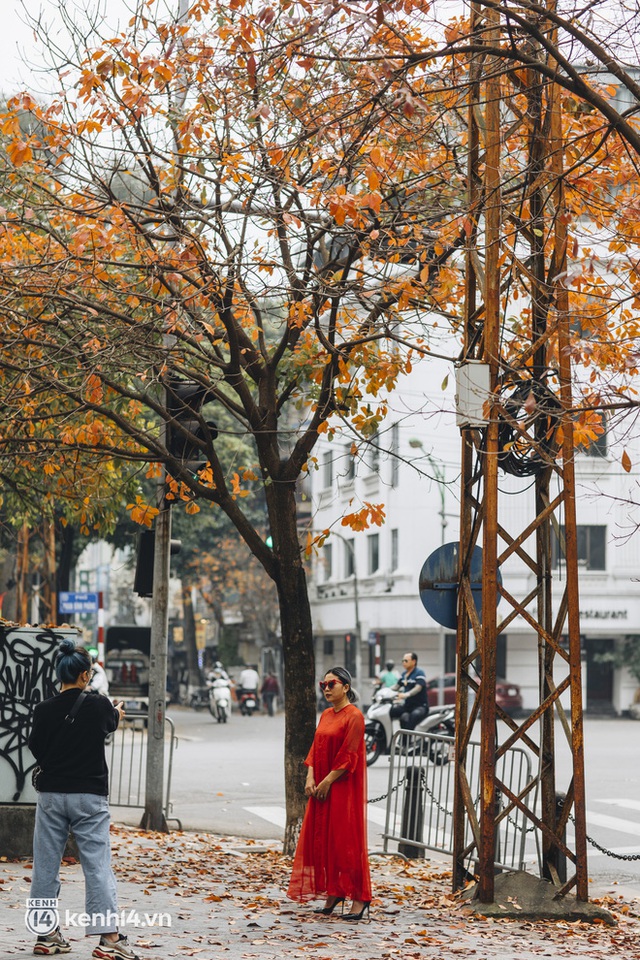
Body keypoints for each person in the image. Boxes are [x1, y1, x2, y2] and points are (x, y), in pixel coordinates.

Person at [28, 638, 139, 960]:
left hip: (50, 796)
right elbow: (110, 724)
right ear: (84, 675)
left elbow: (37, 747)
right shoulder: (99, 704)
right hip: (89, 797)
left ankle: (46, 935)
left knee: (46, 867)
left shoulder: (43, 710)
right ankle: (109, 940)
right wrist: (117, 713)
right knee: (97, 867)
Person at [287, 666, 372, 921]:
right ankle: (335, 893)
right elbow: (316, 746)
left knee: (346, 842)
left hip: (342, 787)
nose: (326, 688)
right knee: (325, 841)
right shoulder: (325, 714)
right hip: (321, 785)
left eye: (331, 684)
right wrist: (311, 776)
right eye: (322, 685)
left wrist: (327, 781)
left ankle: (360, 898)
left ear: (345, 687)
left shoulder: (354, 716)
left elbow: (350, 756)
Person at [389, 651, 429, 730]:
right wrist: (385, 691)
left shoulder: (419, 673)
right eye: (402, 661)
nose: (403, 663)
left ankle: (409, 740)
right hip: (408, 706)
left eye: (406, 661)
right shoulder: (404, 674)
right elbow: (396, 687)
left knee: (413, 716)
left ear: (414, 661)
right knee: (391, 711)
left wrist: (407, 694)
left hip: (420, 706)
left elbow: (418, 688)